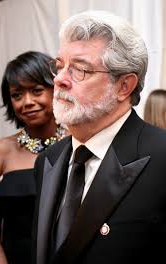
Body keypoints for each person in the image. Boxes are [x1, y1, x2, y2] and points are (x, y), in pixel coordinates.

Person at [32, 10, 166, 264]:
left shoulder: (161, 157)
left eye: (80, 70)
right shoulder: (48, 160)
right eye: (60, 66)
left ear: (124, 86)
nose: (59, 79)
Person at [0, 51, 65, 264]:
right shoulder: (1, 151)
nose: (26, 102)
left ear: (56, 90)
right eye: (17, 95)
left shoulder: (77, 142)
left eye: (36, 90)